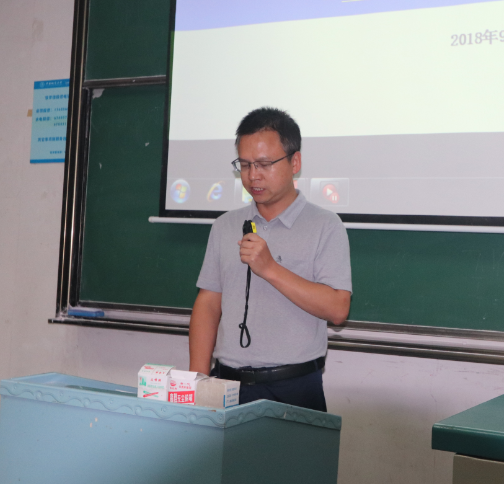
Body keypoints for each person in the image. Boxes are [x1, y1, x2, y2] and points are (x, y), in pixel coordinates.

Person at [189, 107, 352, 412]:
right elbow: (208, 303)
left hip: (294, 387)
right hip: (226, 384)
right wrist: (197, 379)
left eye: (264, 164)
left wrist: (270, 268)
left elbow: (338, 309)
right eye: (245, 165)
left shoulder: (325, 226)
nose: (253, 175)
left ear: (295, 162)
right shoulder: (224, 225)